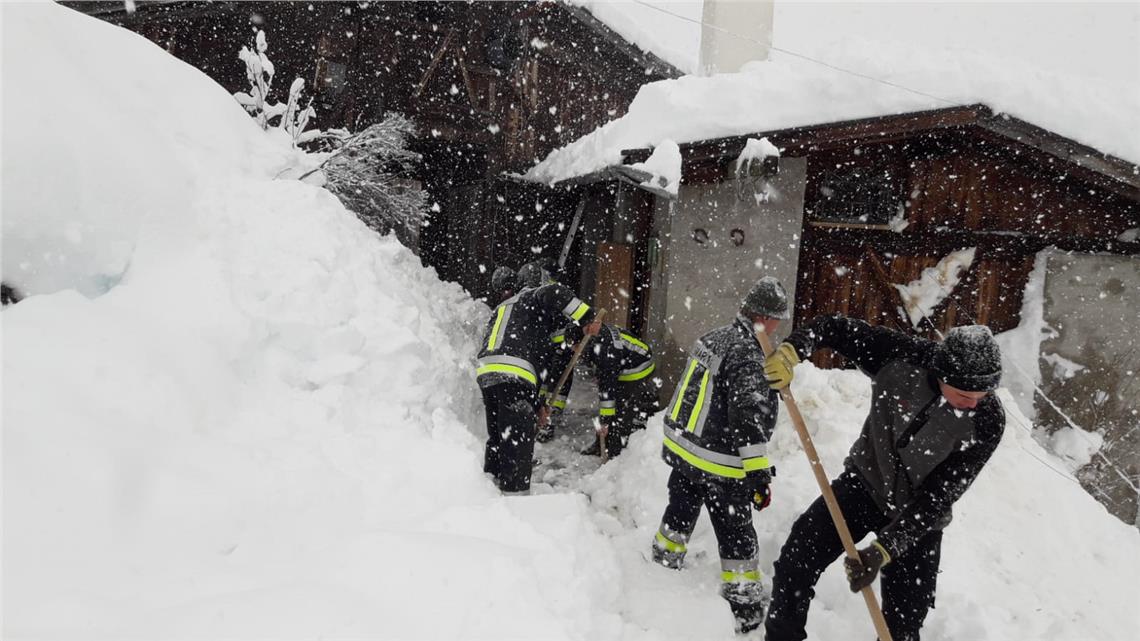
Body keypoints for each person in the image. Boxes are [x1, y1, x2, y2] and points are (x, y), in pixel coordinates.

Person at [761, 315, 1005, 641]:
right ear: (941, 374)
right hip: (864, 487)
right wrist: (794, 349)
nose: (973, 403)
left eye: (983, 394)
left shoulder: (988, 420)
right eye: (964, 394)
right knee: (796, 561)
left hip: (918, 520)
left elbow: (938, 496)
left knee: (902, 627)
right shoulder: (903, 358)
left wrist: (885, 549)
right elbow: (835, 328)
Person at [650, 276, 789, 635]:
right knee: (736, 532)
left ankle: (663, 560)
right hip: (718, 461)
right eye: (777, 319)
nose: (777, 326)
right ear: (766, 318)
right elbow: (746, 417)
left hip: (686, 450)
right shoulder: (747, 353)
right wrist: (758, 475)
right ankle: (745, 605)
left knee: (680, 508)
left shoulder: (714, 338)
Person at [476, 276, 599, 493]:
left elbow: (539, 363)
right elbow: (554, 291)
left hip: (488, 372)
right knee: (518, 442)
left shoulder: (510, 309)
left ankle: (489, 487)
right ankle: (515, 497)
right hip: (513, 371)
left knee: (499, 437)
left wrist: (538, 405)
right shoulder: (533, 297)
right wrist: (587, 317)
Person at [540, 323, 657, 457]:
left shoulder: (605, 350)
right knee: (607, 406)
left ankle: (614, 451)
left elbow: (608, 388)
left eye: (576, 347)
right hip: (618, 362)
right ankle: (600, 445)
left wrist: (605, 421)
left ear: (584, 341)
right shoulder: (588, 337)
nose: (573, 351)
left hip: (638, 366)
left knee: (617, 410)